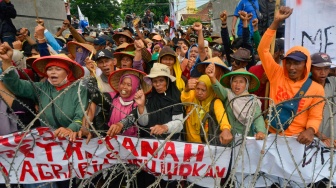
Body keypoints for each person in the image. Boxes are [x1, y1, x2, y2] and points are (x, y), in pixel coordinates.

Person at [0, 42, 88, 188]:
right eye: (50, 69)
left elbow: (81, 113)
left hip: (72, 144)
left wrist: (71, 128)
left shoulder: (79, 89)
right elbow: (16, 85)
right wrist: (7, 61)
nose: (52, 72)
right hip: (48, 145)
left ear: (68, 72)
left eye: (58, 69)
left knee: (69, 182)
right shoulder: (41, 88)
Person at [107, 63, 183, 188]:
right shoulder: (149, 98)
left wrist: (165, 127)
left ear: (167, 81)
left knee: (167, 182)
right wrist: (140, 107)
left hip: (169, 149)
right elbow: (142, 121)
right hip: (149, 149)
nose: (157, 84)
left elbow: (179, 123)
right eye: (154, 81)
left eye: (161, 81)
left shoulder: (175, 98)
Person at [257, 6, 325, 145]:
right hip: (270, 136)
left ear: (306, 65)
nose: (291, 67)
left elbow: (315, 115)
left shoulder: (316, 89)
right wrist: (276, 22)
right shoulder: (277, 74)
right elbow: (262, 50)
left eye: (297, 63)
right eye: (288, 63)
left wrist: (311, 130)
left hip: (296, 141)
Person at [206, 63, 266, 139]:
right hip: (228, 139)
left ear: (246, 85)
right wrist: (212, 78)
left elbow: (258, 118)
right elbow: (219, 89)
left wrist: (260, 131)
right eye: (235, 81)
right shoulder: (228, 95)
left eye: (241, 82)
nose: (237, 84)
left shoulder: (253, 100)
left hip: (246, 141)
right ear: (231, 83)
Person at [181, 74, 232, 144]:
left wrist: (226, 129)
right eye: (197, 88)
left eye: (203, 90)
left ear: (210, 90)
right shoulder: (192, 96)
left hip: (206, 147)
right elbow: (184, 100)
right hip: (188, 145)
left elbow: (222, 118)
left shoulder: (216, 102)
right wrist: (186, 90)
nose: (199, 93)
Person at [309, 52, 336, 147]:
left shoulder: (333, 82)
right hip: (313, 139)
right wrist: (322, 137)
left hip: (333, 137)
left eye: (326, 69)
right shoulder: (305, 87)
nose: (323, 73)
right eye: (318, 69)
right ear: (310, 68)